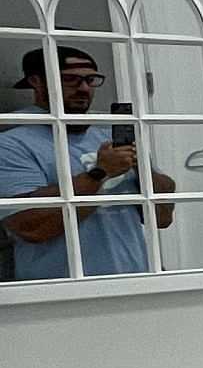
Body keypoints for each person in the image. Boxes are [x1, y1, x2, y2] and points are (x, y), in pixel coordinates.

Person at [0, 43, 174, 281]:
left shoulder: (108, 135)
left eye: (91, 80)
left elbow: (162, 217)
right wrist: (100, 173)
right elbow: (29, 227)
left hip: (136, 281)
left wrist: (140, 167)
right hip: (63, 290)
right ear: (36, 82)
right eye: (70, 79)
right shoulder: (13, 143)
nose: (83, 88)